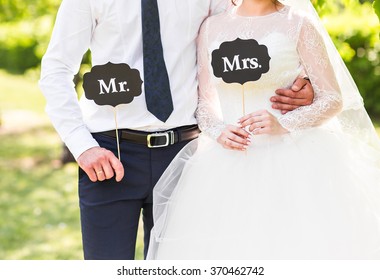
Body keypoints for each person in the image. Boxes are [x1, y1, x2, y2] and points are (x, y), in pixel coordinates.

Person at [39, 0, 314, 260]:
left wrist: (302, 81)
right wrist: (81, 145)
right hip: (109, 156)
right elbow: (56, 67)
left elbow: (248, 28)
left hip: (184, 156)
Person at [147, 0, 380, 259]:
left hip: (293, 162)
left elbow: (332, 98)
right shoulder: (212, 27)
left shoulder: (298, 23)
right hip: (227, 162)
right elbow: (205, 103)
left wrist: (283, 124)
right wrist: (219, 131)